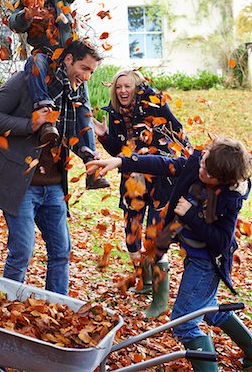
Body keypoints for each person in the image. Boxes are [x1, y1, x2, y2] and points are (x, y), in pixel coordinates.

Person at [86, 137, 252, 371]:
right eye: (203, 163)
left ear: (223, 180)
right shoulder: (197, 163)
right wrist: (120, 162)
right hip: (193, 255)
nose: (201, 170)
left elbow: (223, 242)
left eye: (208, 172)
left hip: (206, 263)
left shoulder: (230, 198)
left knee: (184, 322)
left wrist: (190, 215)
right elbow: (162, 164)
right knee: (207, 307)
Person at [0, 41, 102, 296]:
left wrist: (90, 155)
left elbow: (70, 134)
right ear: (67, 60)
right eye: (84, 68)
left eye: (91, 72)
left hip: (54, 187)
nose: (86, 77)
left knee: (61, 252)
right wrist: (30, 125)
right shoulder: (25, 81)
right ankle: (7, 308)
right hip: (21, 184)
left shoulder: (75, 93)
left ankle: (58, 306)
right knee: (22, 251)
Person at [93, 69, 190, 317]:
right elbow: (119, 150)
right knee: (131, 238)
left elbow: (177, 130)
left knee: (155, 239)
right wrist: (104, 135)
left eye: (128, 86)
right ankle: (145, 282)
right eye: (118, 87)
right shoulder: (115, 114)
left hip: (160, 179)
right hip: (132, 180)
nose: (123, 91)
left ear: (136, 88)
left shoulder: (154, 106)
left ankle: (160, 301)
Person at [8, 0, 109, 189]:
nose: (37, 1)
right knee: (34, 62)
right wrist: (27, 15)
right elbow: (14, 22)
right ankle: (45, 115)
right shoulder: (22, 6)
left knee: (82, 107)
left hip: (68, 56)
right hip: (45, 55)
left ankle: (92, 165)